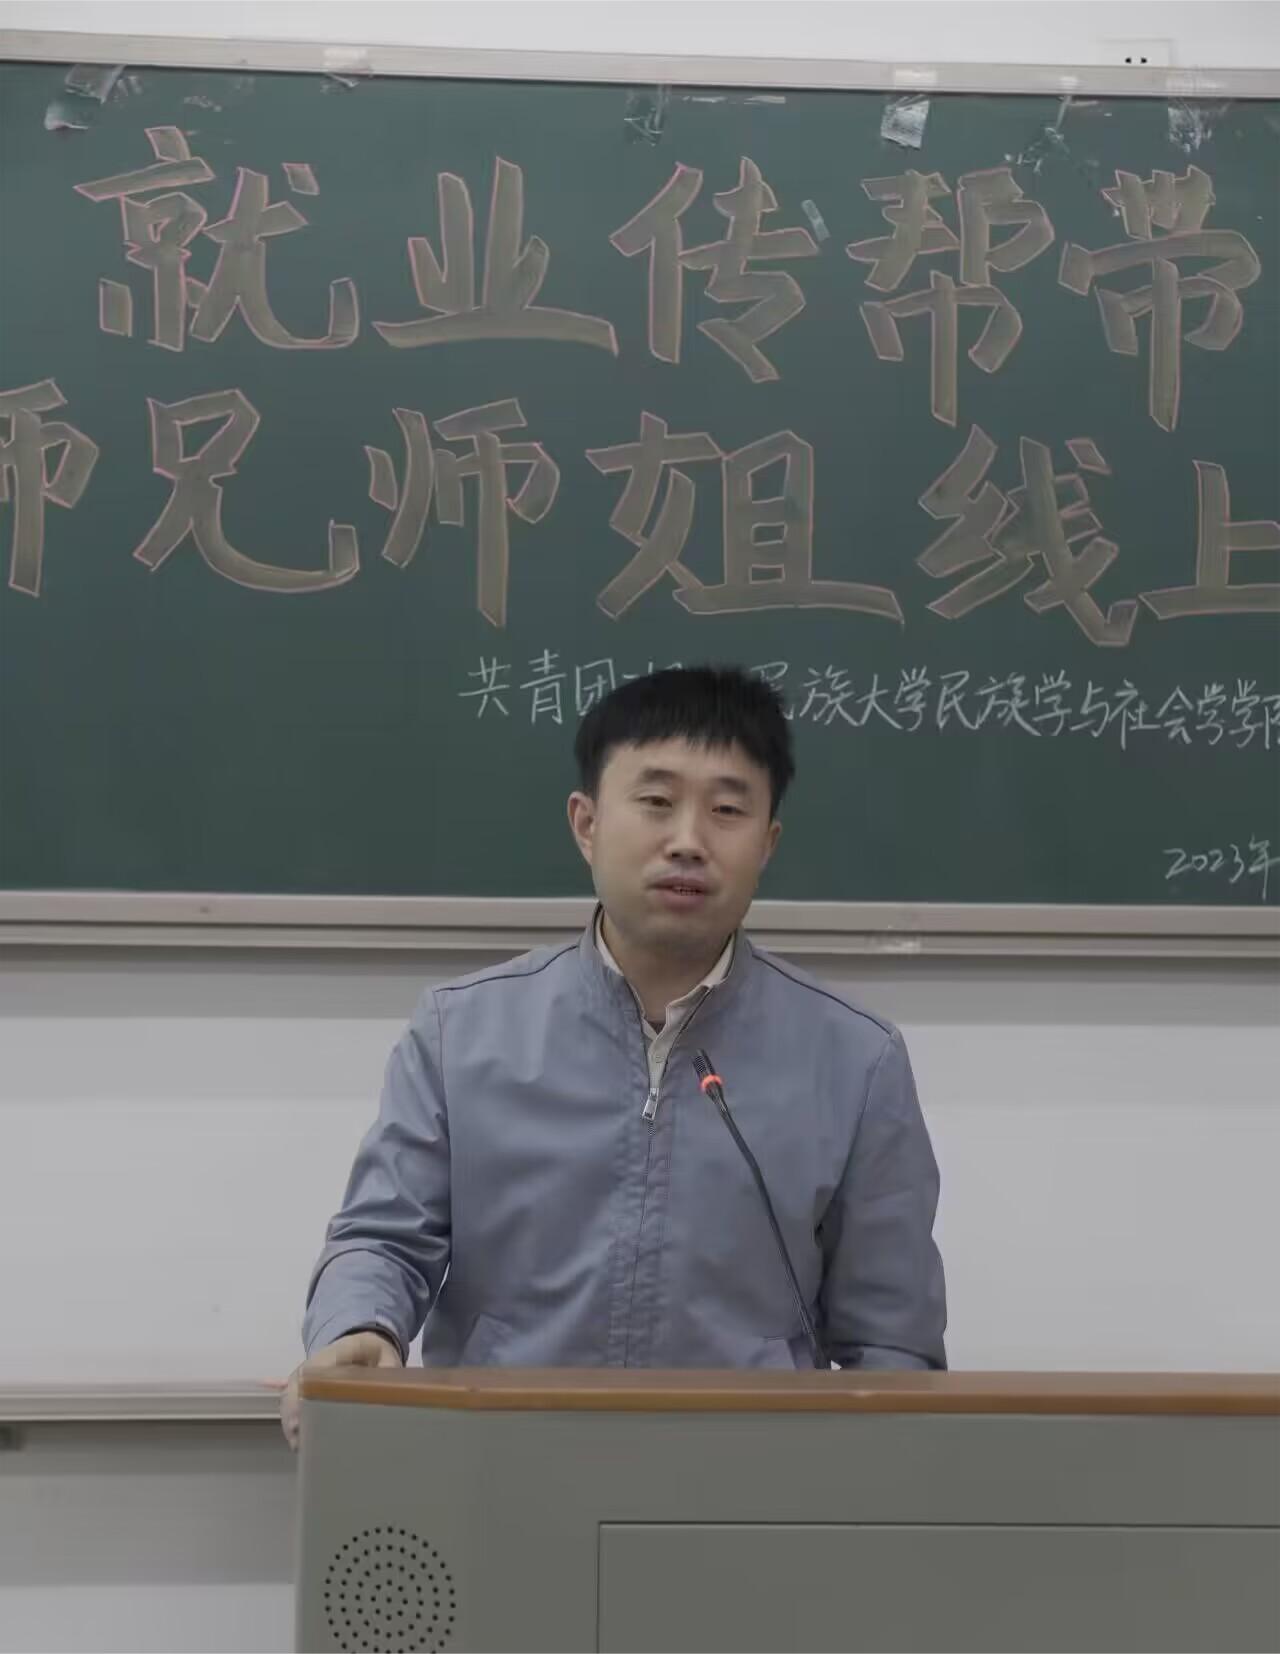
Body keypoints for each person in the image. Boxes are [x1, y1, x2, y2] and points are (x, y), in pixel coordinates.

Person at [282, 665, 945, 1445]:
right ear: (587, 823)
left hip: (749, 1478)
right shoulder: (462, 1033)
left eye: (727, 810)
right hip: (500, 1466)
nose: (688, 841)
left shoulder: (856, 1061)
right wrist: (360, 1325)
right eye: (657, 802)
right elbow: (384, 1239)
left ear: (767, 842)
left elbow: (891, 1342)